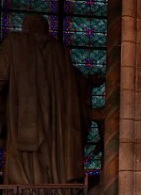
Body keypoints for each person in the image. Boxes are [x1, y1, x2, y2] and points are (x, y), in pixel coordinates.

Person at [0, 13, 87, 184]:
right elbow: (76, 87)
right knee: (51, 161)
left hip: (23, 123)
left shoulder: (14, 43)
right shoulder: (60, 51)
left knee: (23, 168)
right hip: (55, 130)